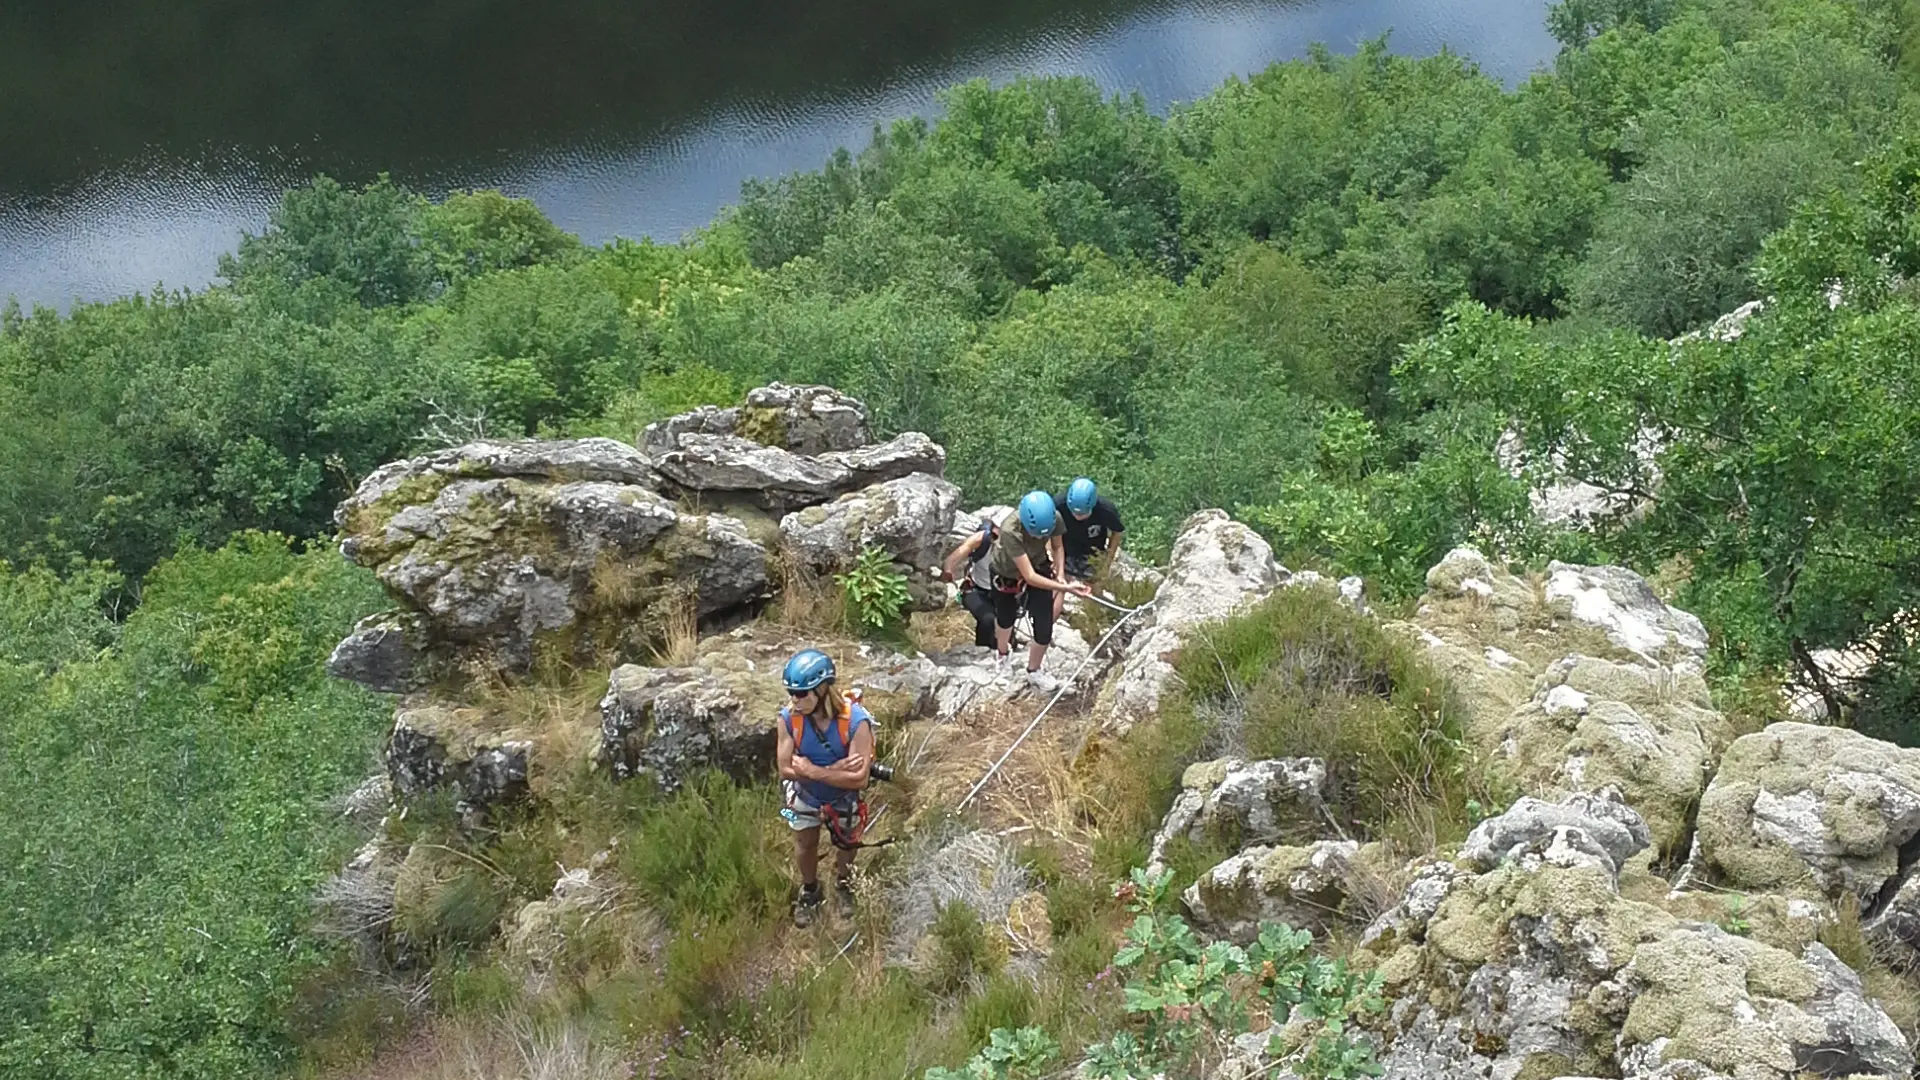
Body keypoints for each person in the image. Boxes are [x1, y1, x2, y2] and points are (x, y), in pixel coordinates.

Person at [774, 648, 874, 927]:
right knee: (804, 843)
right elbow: (785, 768)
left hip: (843, 797)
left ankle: (844, 884)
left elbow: (860, 779)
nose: (795, 700)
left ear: (822, 689)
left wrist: (811, 770)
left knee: (846, 843)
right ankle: (810, 889)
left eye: (802, 693)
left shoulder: (856, 721)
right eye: (791, 693)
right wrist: (836, 770)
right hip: (803, 797)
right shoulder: (787, 719)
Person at [988, 490, 1091, 684]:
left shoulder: (1054, 519)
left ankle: (1034, 670)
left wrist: (1060, 576)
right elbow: (1029, 576)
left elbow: (1058, 546)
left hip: (1038, 564)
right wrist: (1066, 588)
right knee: (1005, 617)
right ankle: (1002, 655)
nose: (1037, 539)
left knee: (1044, 627)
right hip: (1006, 572)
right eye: (1034, 534)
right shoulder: (1010, 529)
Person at [1052, 477, 1126, 618]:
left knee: (1093, 587)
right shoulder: (1058, 504)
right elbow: (1049, 530)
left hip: (1092, 551)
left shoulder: (1105, 509)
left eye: (1082, 514)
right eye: (1074, 512)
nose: (1077, 516)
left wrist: (1106, 561)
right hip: (1065, 547)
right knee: (1058, 582)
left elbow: (1117, 533)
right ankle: (1049, 623)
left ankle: (1093, 621)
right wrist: (1052, 556)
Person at [941, 512, 1003, 648]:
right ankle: (983, 651)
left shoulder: (1019, 545)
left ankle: (989, 651)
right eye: (994, 535)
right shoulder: (982, 539)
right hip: (976, 590)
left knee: (1001, 629)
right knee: (989, 620)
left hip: (1003, 593)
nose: (996, 539)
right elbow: (958, 553)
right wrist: (948, 569)